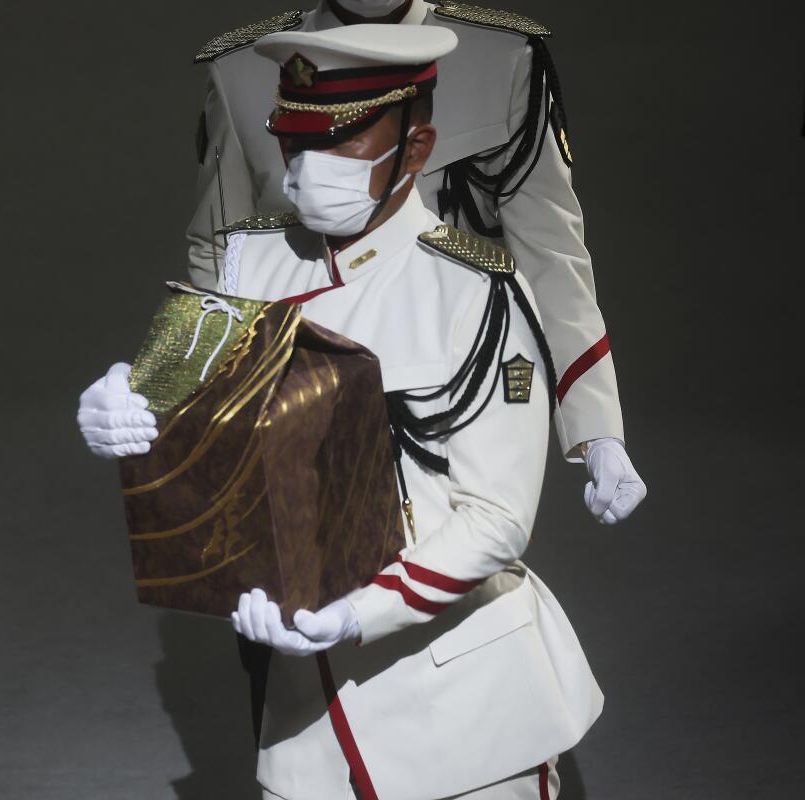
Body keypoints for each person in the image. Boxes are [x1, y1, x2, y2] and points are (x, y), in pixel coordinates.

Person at [78, 25, 601, 799]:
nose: (305, 169)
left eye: (339, 145)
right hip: (310, 724)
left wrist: (360, 612)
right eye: (293, 143)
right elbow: (167, 383)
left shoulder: (478, 291)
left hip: (466, 713)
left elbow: (496, 516)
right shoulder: (250, 257)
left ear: (417, 148)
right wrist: (117, 396)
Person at [186, 0, 646, 525]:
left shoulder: (504, 58)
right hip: (304, 396)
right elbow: (219, 257)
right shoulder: (242, 69)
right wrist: (196, 404)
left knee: (461, 551)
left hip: (451, 386)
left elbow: (551, 255)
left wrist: (596, 427)